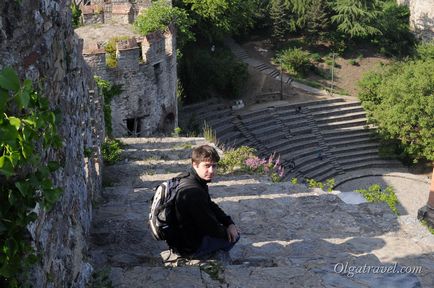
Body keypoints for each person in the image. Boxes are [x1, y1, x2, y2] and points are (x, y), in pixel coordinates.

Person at [169, 145, 240, 259]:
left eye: (214, 166)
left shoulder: (187, 178)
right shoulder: (194, 193)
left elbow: (210, 204)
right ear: (195, 164)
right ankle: (204, 254)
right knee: (235, 236)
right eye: (207, 166)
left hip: (179, 239)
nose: (211, 171)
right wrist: (228, 230)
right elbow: (211, 228)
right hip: (189, 247)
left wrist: (228, 222)